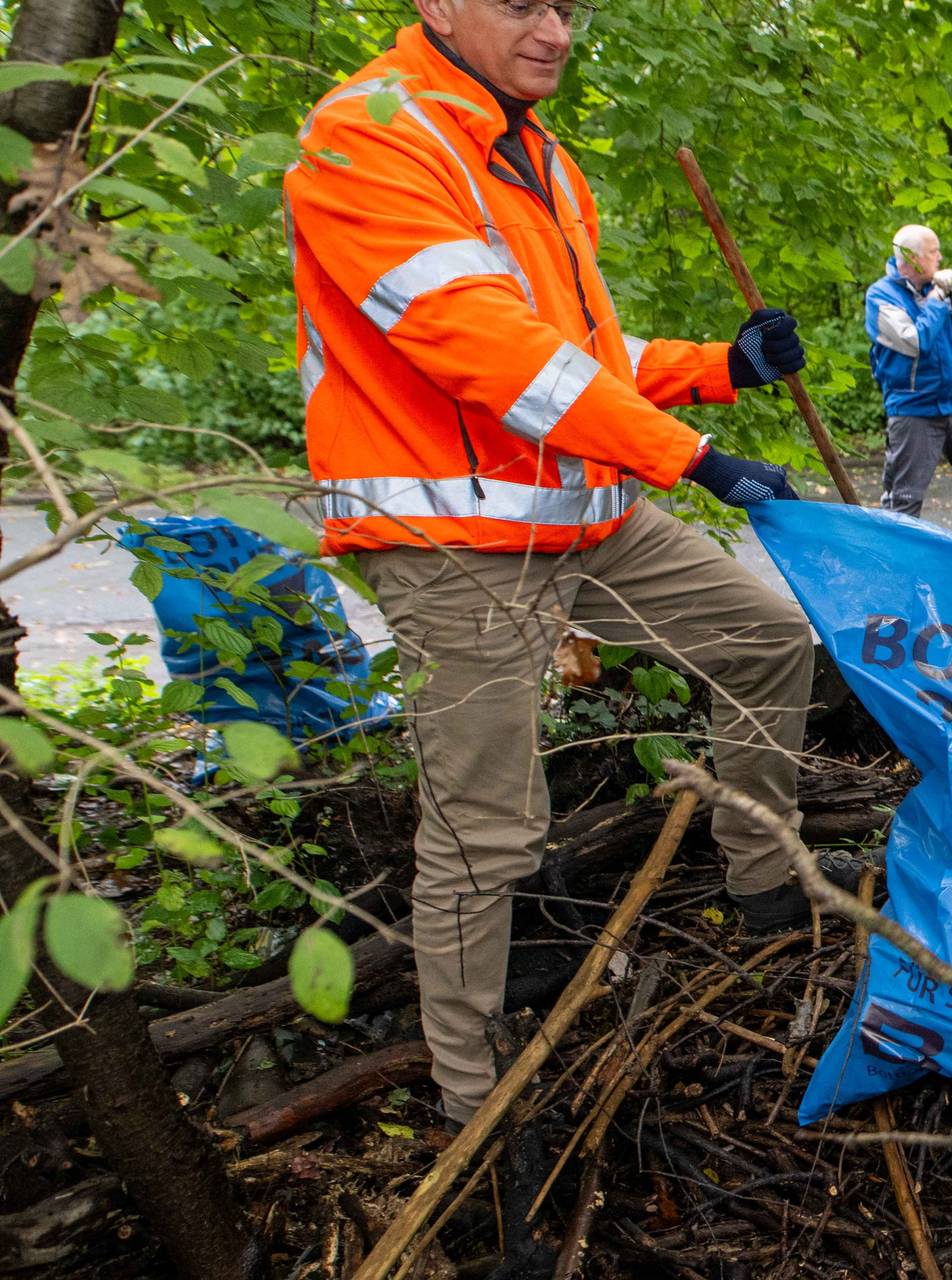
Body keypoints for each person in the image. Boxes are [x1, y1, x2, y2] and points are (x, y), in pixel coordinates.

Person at [288, 0, 817, 1125]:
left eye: (569, 6)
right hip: (454, 540)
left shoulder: (536, 153)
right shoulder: (370, 134)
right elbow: (480, 344)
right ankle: (474, 1103)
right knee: (486, 828)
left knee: (762, 639)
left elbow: (580, 353)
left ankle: (764, 886)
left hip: (578, 508)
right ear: (436, 3)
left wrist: (716, 365)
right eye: (524, 3)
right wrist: (691, 454)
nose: (555, 30)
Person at [867, 223, 952, 536]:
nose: (940, 257)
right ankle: (898, 573)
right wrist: (939, 300)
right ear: (913, 258)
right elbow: (914, 341)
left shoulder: (941, 286)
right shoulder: (881, 296)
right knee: (904, 500)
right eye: (933, 252)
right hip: (913, 409)